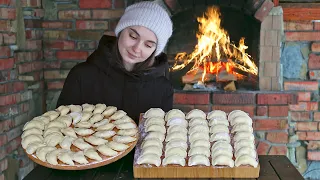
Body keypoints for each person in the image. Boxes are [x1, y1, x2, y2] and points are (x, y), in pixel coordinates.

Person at [56, 1, 174, 123]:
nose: (137, 49)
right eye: (133, 36)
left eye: (148, 45)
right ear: (120, 31)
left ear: (155, 50)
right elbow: (61, 125)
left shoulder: (162, 88)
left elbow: (160, 135)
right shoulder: (81, 75)